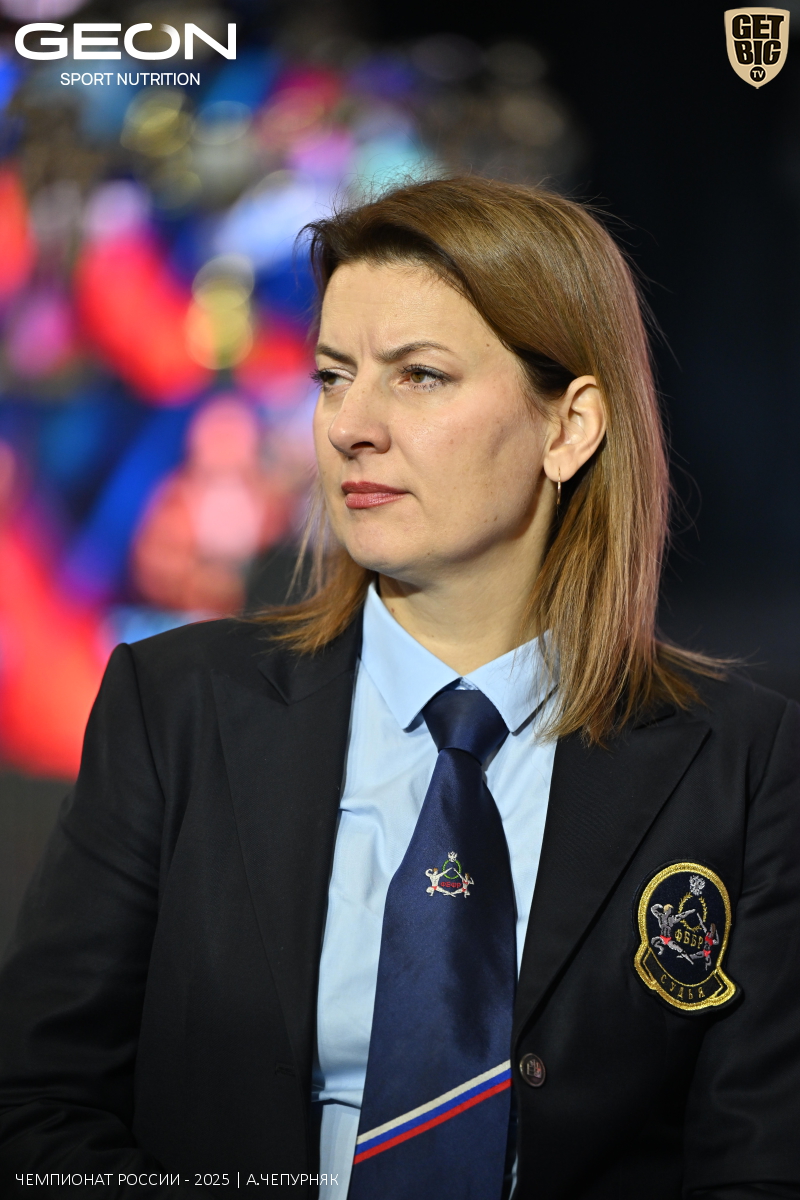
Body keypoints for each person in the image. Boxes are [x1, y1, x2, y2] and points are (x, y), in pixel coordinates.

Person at [1, 177, 799, 1200]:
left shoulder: (741, 765)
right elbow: (37, 1106)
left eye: (419, 376)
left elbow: (757, 1165)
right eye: (333, 376)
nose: (351, 426)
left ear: (569, 428)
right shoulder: (176, 707)